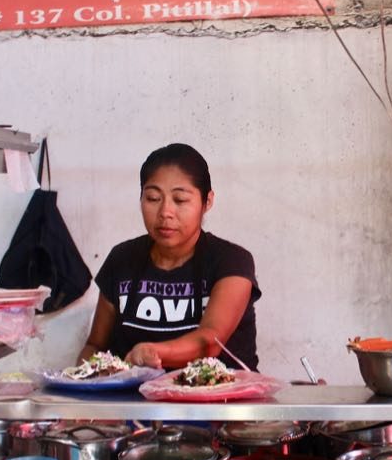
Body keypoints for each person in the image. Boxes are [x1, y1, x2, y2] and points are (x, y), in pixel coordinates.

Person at [78, 143, 260, 370]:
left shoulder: (231, 261)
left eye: (180, 200)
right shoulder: (122, 258)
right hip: (135, 403)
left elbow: (209, 342)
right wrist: (86, 379)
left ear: (207, 202)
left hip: (218, 402)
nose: (165, 212)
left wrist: (150, 353)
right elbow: (95, 345)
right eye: (153, 198)